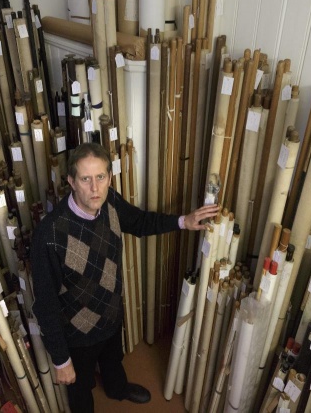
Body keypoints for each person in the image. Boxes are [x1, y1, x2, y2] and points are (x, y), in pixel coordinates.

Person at [31, 142, 219, 412]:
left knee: (113, 361)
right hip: (77, 334)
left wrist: (183, 222)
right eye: (86, 179)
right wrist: (61, 361)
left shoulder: (111, 203)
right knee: (80, 390)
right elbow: (45, 304)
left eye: (101, 177)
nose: (95, 188)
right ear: (71, 181)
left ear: (109, 177)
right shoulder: (50, 235)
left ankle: (117, 388)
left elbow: (141, 222)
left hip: (110, 313)